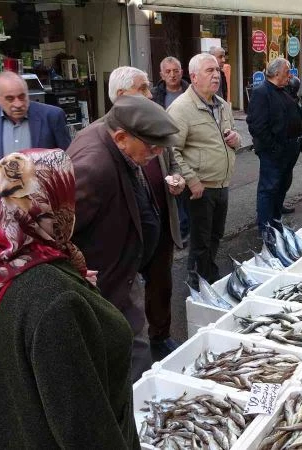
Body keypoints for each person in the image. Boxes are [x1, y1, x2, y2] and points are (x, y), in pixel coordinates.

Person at [0, 149, 139, 449]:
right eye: (67, 190)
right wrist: (75, 296)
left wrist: (74, 284)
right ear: (50, 202)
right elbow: (84, 430)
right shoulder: (56, 299)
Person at [68, 94, 180, 381]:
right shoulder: (93, 167)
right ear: (120, 137)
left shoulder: (114, 137)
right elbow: (58, 231)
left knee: (129, 350)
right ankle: (131, 416)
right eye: (152, 148)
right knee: (132, 354)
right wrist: (77, 270)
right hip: (105, 283)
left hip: (122, 271)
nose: (156, 155)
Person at [110, 66, 187, 359]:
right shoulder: (110, 133)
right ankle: (133, 348)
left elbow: (172, 158)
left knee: (161, 284)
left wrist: (178, 179)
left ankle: (161, 336)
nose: (150, 93)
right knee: (127, 293)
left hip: (161, 221)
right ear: (121, 95)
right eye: (142, 89)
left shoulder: (152, 120)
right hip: (130, 230)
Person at [167, 53, 240, 286]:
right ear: (194, 77)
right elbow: (171, 151)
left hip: (222, 183)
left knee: (216, 234)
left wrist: (236, 139)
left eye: (217, 70)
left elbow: (233, 137)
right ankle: (199, 280)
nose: (216, 75)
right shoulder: (180, 108)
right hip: (201, 187)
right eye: (210, 70)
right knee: (201, 240)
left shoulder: (223, 105)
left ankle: (206, 272)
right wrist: (191, 180)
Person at [0, 71, 70, 180]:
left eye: (22, 97)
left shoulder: (52, 116)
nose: (18, 104)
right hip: (3, 194)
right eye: (10, 99)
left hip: (43, 193)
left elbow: (67, 159)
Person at [247, 57, 302, 233]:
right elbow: (257, 126)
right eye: (288, 72)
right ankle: (266, 229)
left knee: (282, 186)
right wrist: (274, 148)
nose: (290, 75)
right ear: (277, 72)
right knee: (269, 188)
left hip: (290, 148)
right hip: (274, 152)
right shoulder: (262, 92)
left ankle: (275, 221)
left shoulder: (283, 89)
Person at [152, 56, 191, 247]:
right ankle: (177, 231)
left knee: (187, 191)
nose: (172, 75)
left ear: (182, 72)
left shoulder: (191, 91)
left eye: (176, 70)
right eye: (168, 71)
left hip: (188, 147)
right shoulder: (154, 96)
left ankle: (185, 229)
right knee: (172, 192)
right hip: (165, 149)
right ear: (161, 74)